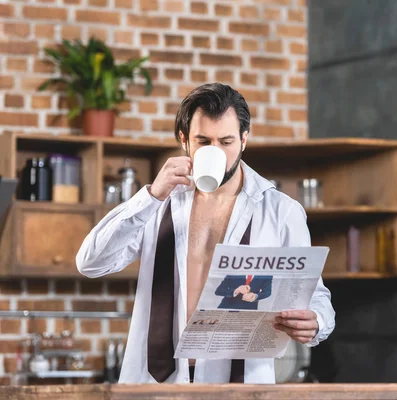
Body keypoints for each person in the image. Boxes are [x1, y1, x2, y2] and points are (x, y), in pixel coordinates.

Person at [76, 83, 335, 384]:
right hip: (154, 386)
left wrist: (316, 321)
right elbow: (90, 262)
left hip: (241, 387)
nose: (217, 152)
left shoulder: (280, 211)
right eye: (204, 141)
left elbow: (315, 296)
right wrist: (151, 196)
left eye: (226, 142)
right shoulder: (157, 203)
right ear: (184, 140)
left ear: (244, 140)